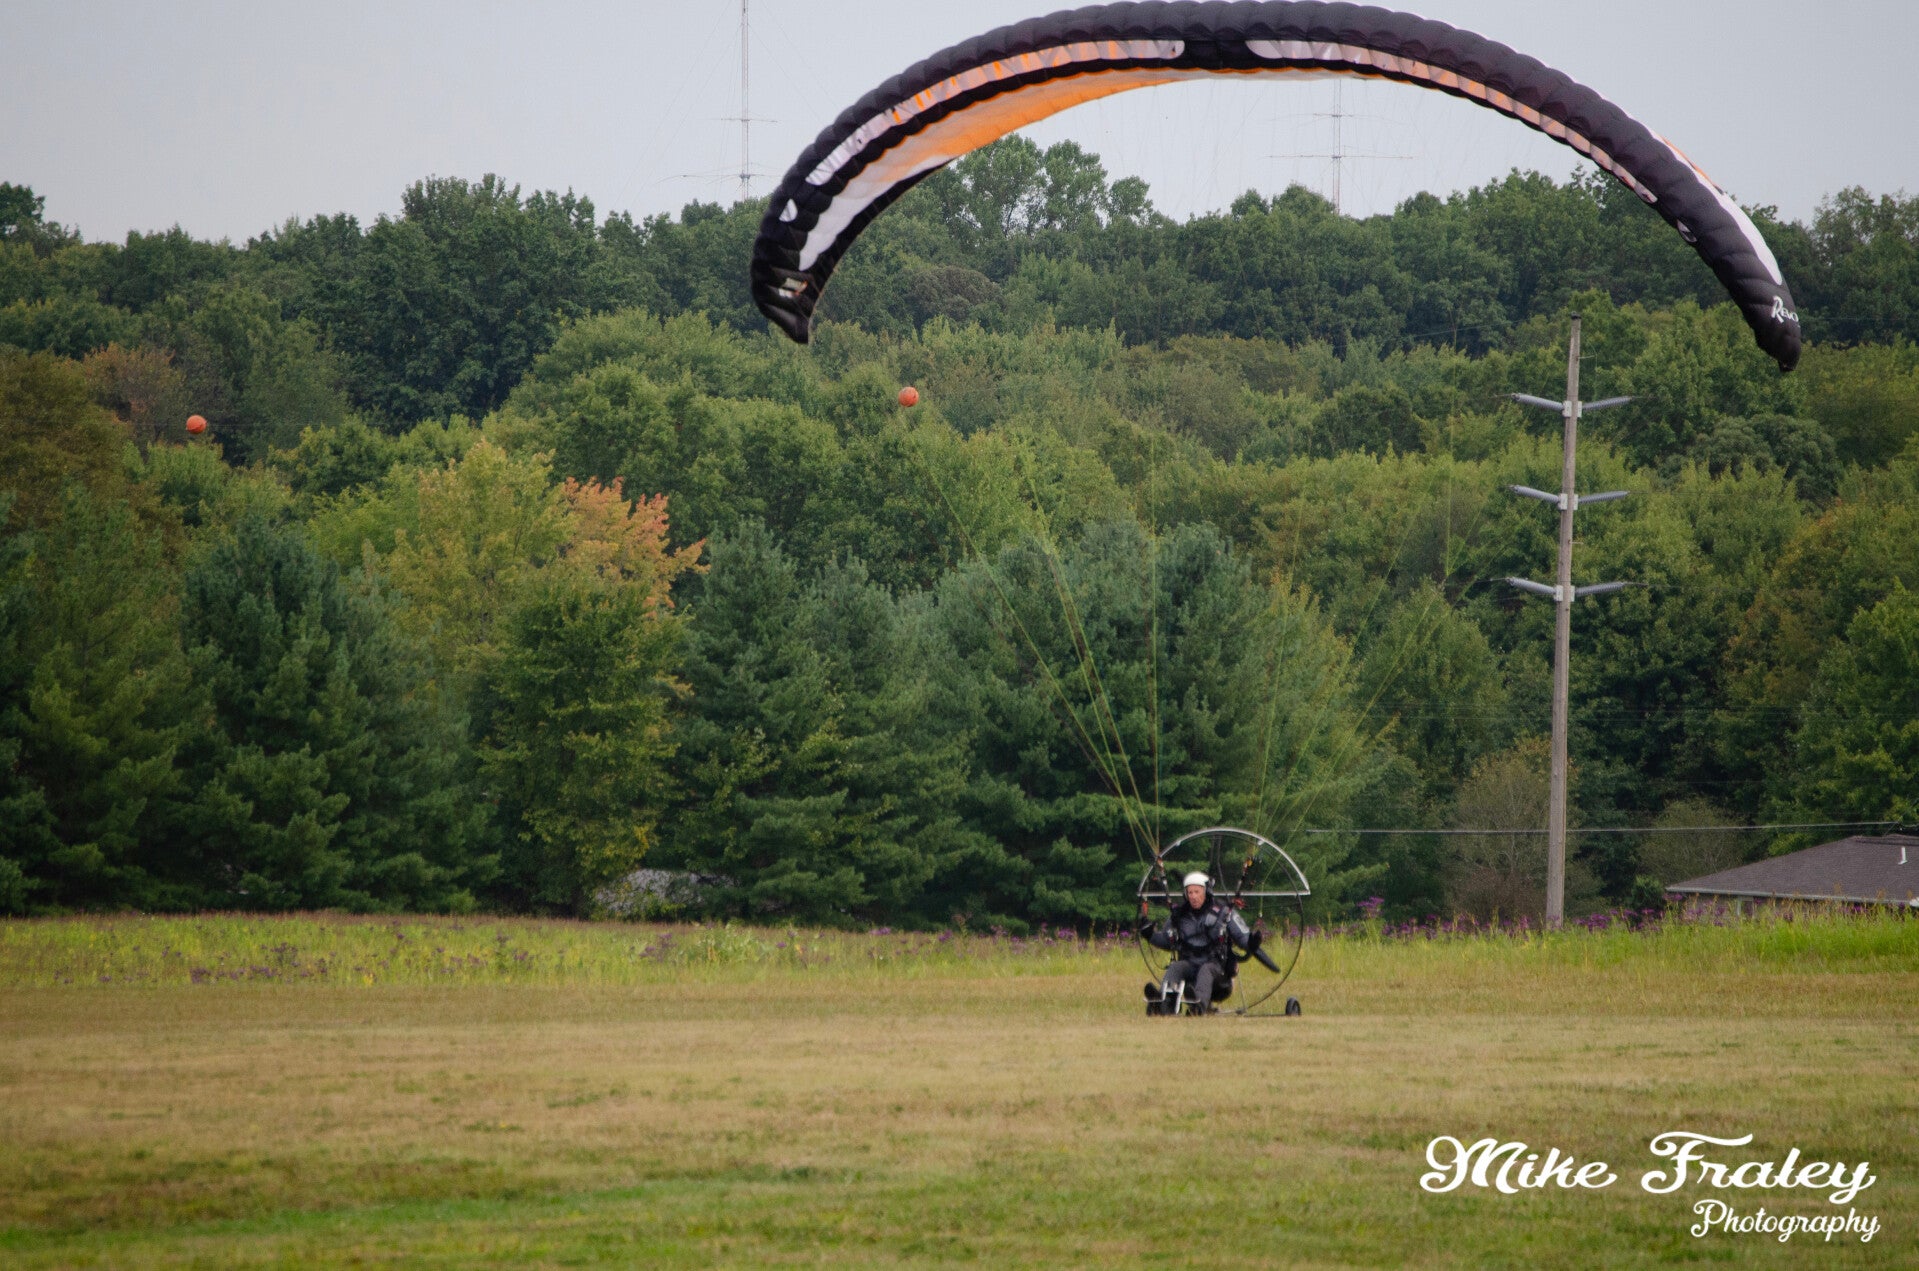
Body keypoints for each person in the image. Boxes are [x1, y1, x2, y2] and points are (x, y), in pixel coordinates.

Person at [1139, 871, 1262, 1014]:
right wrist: (1150, 935)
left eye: (1197, 892)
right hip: (1190, 968)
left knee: (1206, 969)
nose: (1193, 896)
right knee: (1176, 967)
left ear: (1206, 892)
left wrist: (1252, 943)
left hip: (1218, 972)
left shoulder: (1223, 913)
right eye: (1190, 892)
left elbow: (1242, 938)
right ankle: (1163, 1004)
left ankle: (1198, 1007)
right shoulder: (1179, 916)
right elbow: (1167, 942)